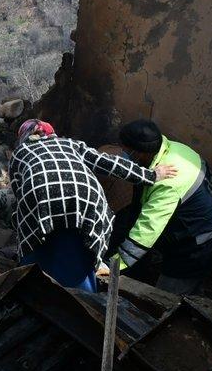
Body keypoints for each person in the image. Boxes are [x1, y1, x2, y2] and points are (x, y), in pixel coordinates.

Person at [11, 119, 176, 291]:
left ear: (24, 136)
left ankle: (31, 284)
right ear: (51, 134)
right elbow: (107, 163)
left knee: (40, 248)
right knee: (85, 249)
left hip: (41, 198)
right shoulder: (69, 144)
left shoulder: (19, 153)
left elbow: (19, 195)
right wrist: (150, 176)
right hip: (86, 198)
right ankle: (88, 291)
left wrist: (23, 236)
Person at [109, 119, 212, 295]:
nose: (123, 154)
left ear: (141, 154)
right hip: (206, 232)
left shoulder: (168, 182)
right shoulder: (170, 150)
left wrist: (113, 266)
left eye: (127, 151)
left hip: (200, 248)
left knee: (163, 303)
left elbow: (147, 230)